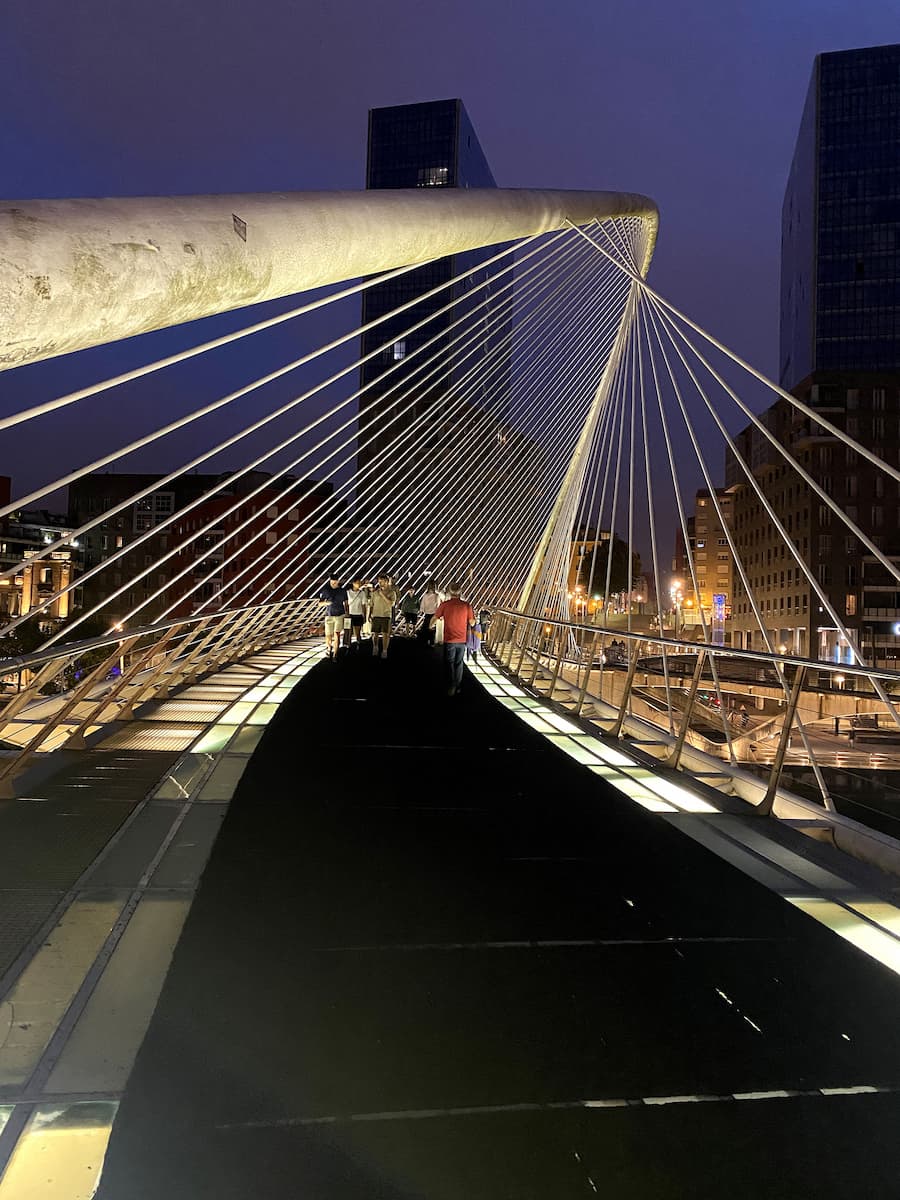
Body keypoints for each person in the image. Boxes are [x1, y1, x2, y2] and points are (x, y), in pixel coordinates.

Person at [434, 582, 475, 696]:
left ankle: (451, 684)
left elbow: (435, 617)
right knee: (458, 662)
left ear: (450, 592)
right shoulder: (466, 605)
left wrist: (430, 625)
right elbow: (472, 623)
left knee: (449, 662)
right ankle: (457, 685)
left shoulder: (445, 605)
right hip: (462, 639)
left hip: (449, 639)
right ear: (460, 592)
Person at [318, 573, 348, 659]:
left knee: (337, 634)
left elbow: (346, 603)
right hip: (329, 615)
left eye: (335, 582)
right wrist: (326, 603)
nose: (333, 583)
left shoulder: (342, 591)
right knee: (328, 635)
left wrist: (347, 613)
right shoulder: (326, 590)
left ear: (338, 581)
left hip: (340, 615)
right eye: (332, 582)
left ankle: (335, 653)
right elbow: (319, 603)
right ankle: (328, 648)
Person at [369, 573, 399, 659]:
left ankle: (384, 650)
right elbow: (371, 604)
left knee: (385, 634)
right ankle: (375, 647)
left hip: (386, 616)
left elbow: (391, 604)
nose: (379, 583)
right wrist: (370, 614)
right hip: (376, 615)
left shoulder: (392, 592)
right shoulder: (375, 593)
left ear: (386, 582)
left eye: (381, 581)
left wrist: (382, 595)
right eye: (379, 582)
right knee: (375, 634)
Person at [345, 578, 370, 649]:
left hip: (358, 614)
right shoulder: (348, 592)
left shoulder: (362, 593)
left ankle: (358, 646)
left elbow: (363, 605)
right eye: (357, 583)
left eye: (360, 583)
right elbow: (346, 604)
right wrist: (346, 613)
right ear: (353, 583)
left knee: (358, 632)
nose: (359, 584)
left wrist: (364, 615)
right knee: (349, 632)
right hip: (349, 615)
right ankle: (348, 646)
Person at [419, 578, 443, 644]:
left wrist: (421, 610)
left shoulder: (425, 595)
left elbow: (422, 604)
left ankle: (425, 641)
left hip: (427, 614)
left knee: (426, 628)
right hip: (434, 614)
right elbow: (438, 606)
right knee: (432, 629)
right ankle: (432, 642)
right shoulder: (437, 596)